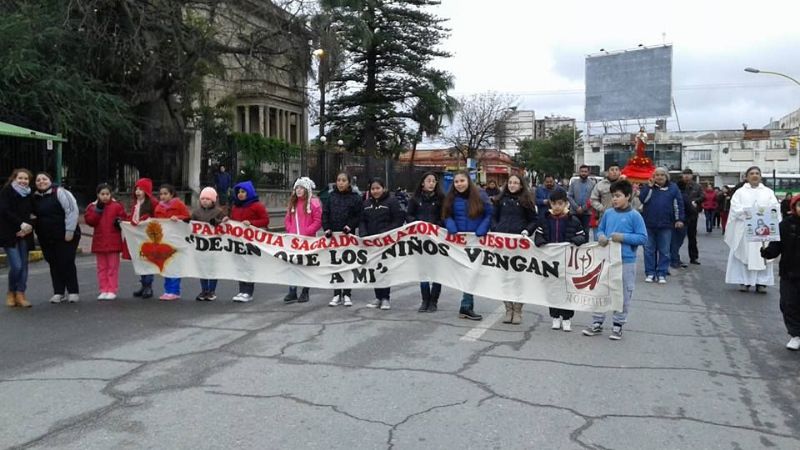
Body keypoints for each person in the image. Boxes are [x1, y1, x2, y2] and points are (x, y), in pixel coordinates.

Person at [584, 180, 648, 340]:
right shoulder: (608, 213)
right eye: (613, 196)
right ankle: (597, 322)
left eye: (618, 196)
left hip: (626, 261)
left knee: (623, 293)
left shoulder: (635, 216)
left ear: (628, 196)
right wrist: (601, 237)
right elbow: (600, 229)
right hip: (606, 259)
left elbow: (642, 238)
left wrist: (623, 237)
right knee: (601, 290)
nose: (614, 199)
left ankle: (618, 324)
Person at [533, 189, 586, 331]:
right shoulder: (545, 219)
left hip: (567, 262)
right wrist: (541, 241)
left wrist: (574, 240)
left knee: (567, 290)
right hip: (551, 262)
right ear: (550, 204)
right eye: (554, 204)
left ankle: (567, 318)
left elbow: (583, 236)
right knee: (552, 289)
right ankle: (555, 316)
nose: (557, 207)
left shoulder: (573, 220)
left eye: (560, 204)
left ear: (566, 204)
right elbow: (538, 235)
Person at [442, 171, 493, 321]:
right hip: (458, 242)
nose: (459, 184)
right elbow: (446, 214)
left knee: (472, 272)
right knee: (466, 273)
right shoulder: (450, 197)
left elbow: (489, 213)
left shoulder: (480, 195)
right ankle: (466, 306)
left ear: (468, 181)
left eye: (462, 181)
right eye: (456, 182)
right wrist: (450, 225)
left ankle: (466, 305)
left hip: (476, 241)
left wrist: (483, 228)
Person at [724, 166, 781, 294]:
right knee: (744, 255)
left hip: (763, 230)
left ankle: (761, 282)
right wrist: (749, 213)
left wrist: (762, 213)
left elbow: (775, 207)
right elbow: (735, 209)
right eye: (751, 173)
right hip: (746, 229)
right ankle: (744, 281)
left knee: (763, 255)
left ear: (760, 176)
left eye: (757, 173)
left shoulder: (768, 192)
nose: (754, 175)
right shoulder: (740, 192)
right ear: (746, 177)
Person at [492, 174, 537, 325]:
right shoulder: (500, 200)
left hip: (519, 245)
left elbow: (534, 220)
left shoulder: (526, 201)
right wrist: (495, 229)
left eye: (516, 183)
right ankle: (508, 309)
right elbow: (493, 217)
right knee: (504, 278)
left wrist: (527, 231)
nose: (512, 185)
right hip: (502, 244)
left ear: (521, 185)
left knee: (519, 278)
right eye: (510, 182)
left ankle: (517, 310)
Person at [32, 172, 81, 304]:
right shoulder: (34, 197)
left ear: (50, 180)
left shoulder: (60, 192)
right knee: (53, 263)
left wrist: (69, 231)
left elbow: (72, 210)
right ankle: (58, 292)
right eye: (38, 180)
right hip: (46, 237)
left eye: (44, 179)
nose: (41, 182)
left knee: (67, 262)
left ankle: (73, 291)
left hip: (65, 235)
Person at [761, 194, 800, 350]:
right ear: (794, 207)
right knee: (788, 303)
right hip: (789, 272)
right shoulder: (785, 225)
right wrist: (767, 252)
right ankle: (795, 335)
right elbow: (776, 246)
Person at [360, 178, 405, 310]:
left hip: (386, 242)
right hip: (371, 243)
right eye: (373, 189)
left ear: (383, 188)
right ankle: (378, 297)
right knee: (374, 270)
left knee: (384, 269)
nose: (375, 191)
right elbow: (362, 220)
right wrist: (363, 234)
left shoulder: (392, 201)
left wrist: (385, 232)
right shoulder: (366, 203)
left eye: (378, 188)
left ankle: (385, 298)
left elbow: (398, 220)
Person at [322, 172, 362, 307]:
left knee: (347, 264)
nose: (340, 183)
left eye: (344, 180)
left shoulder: (355, 198)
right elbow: (325, 214)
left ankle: (347, 294)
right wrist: (326, 228)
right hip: (333, 237)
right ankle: (336, 294)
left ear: (349, 182)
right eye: (338, 180)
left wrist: (350, 226)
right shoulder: (331, 197)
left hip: (348, 236)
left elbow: (358, 215)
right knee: (336, 265)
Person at [407, 172, 445, 312]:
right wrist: (418, 224)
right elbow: (409, 215)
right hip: (420, 240)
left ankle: (434, 301)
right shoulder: (415, 199)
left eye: (434, 181)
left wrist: (436, 226)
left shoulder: (441, 199)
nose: (431, 183)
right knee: (423, 271)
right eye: (429, 180)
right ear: (423, 182)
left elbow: (444, 217)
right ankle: (425, 300)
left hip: (436, 239)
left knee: (437, 272)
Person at [639, 167, 685, 284]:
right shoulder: (648, 187)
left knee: (664, 251)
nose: (659, 177)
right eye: (657, 175)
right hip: (649, 224)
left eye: (662, 175)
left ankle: (662, 273)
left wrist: (679, 219)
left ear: (666, 176)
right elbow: (643, 200)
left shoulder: (673, 188)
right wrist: (649, 187)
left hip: (666, 225)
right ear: (653, 177)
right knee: (648, 250)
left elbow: (678, 204)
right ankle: (650, 273)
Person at [84, 183, 127, 300]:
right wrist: (98, 211)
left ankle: (112, 289)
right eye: (102, 194)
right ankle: (103, 289)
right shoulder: (92, 207)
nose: (105, 196)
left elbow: (124, 218)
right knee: (101, 267)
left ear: (111, 194)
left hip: (113, 241)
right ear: (98, 195)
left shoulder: (117, 206)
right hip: (99, 241)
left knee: (113, 267)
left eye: (107, 194)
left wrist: (119, 221)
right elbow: (90, 221)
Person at [283, 177, 322, 304]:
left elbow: (317, 221)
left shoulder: (313, 203)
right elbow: (288, 219)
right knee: (293, 265)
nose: (299, 190)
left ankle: (305, 291)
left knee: (306, 266)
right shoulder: (293, 203)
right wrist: (290, 230)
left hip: (308, 240)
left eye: (301, 188)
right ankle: (292, 291)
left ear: (307, 189)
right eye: (297, 188)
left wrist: (307, 231)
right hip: (294, 240)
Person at [229, 180, 269, 302]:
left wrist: (251, 223)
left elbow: (265, 220)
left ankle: (248, 292)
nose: (240, 194)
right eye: (238, 192)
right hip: (238, 240)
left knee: (249, 265)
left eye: (243, 192)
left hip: (252, 241)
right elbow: (233, 220)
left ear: (249, 192)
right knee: (240, 265)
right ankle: (241, 290)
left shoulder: (257, 206)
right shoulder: (235, 206)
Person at [1, 169, 35, 308]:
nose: (23, 181)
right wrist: (20, 224)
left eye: (26, 179)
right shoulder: (6, 191)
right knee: (16, 265)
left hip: (25, 233)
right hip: (9, 234)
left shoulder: (29, 194)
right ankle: (11, 291)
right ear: (14, 178)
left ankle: (20, 293)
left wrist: (29, 226)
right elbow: (4, 211)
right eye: (20, 178)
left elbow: (33, 213)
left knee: (24, 266)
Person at [153, 184, 190, 300]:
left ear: (172, 194)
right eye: (161, 194)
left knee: (174, 264)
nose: (163, 196)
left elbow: (187, 218)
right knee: (166, 265)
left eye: (165, 193)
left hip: (176, 240)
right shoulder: (158, 208)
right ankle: (168, 290)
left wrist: (178, 218)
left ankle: (174, 291)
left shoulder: (179, 204)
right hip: (164, 240)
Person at [192, 187, 226, 301]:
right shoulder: (196, 212)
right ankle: (204, 290)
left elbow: (225, 224)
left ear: (213, 200)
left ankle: (211, 291)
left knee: (212, 269)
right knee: (202, 269)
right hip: (201, 245)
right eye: (203, 199)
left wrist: (217, 222)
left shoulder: (218, 212)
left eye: (207, 199)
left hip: (214, 246)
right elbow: (191, 224)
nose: (205, 201)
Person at [590, 163, 641, 239]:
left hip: (623, 217)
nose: (614, 172)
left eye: (617, 170)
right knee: (603, 240)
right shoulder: (600, 185)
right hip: (605, 217)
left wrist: (627, 183)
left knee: (618, 240)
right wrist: (602, 208)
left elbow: (631, 196)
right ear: (607, 172)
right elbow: (593, 199)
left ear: (620, 172)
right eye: (612, 170)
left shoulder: (624, 183)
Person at [128, 178, 158, 299]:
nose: (138, 192)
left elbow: (157, 217)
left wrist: (147, 219)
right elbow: (133, 217)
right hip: (138, 237)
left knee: (148, 262)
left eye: (141, 189)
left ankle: (148, 286)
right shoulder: (136, 203)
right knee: (140, 260)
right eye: (136, 189)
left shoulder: (152, 203)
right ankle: (143, 284)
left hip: (149, 237)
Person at [681, 168, 704, 264]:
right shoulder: (679, 185)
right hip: (681, 213)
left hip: (692, 213)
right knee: (678, 236)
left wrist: (695, 201)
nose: (686, 176)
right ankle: (674, 257)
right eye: (684, 174)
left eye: (688, 174)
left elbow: (702, 196)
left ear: (692, 175)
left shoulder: (697, 186)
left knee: (692, 236)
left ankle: (693, 257)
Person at [568, 165, 596, 231]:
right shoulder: (573, 183)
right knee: (573, 231)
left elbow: (593, 198)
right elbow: (569, 196)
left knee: (586, 232)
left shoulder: (592, 184)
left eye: (585, 171)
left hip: (587, 213)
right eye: (582, 171)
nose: (583, 173)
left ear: (588, 172)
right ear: (579, 172)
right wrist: (576, 207)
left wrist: (583, 208)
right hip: (574, 212)